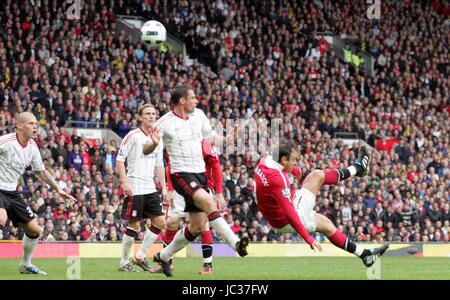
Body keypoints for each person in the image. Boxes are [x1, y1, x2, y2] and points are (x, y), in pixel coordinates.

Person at [146, 85, 248, 277]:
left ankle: (164, 255)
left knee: (198, 226)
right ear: (182, 101)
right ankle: (235, 243)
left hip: (199, 175)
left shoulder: (199, 115)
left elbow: (210, 139)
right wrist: (151, 144)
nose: (196, 100)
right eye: (192, 97)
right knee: (207, 204)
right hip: (181, 175)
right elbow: (150, 150)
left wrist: (227, 139)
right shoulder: (164, 123)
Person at [254, 141, 389, 267]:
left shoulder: (265, 160)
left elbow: (276, 177)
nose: (295, 163)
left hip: (275, 219)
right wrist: (308, 238)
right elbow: (290, 212)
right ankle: (358, 167)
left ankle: (365, 255)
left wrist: (294, 170)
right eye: (293, 160)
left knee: (327, 225)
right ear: (283, 160)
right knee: (316, 175)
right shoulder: (278, 179)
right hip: (286, 219)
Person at [0, 112, 76, 275]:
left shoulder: (32, 146)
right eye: (31, 123)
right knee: (1, 218)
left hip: (12, 192)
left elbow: (41, 171)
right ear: (19, 125)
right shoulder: (5, 142)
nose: (35, 126)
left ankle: (25, 265)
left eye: (36, 124)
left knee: (34, 230)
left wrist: (59, 189)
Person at [153, 139, 225, 275]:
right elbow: (170, 165)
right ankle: (167, 263)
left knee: (202, 226)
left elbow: (215, 166)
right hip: (180, 187)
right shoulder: (175, 139)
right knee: (171, 223)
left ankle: (207, 265)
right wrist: (169, 189)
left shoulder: (205, 142)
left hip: (202, 188)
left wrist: (219, 192)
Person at [116, 104, 167, 272]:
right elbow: (120, 159)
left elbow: (160, 165)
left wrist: (164, 188)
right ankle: (124, 262)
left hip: (150, 187)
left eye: (153, 114)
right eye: (147, 114)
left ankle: (140, 255)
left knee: (160, 221)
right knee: (135, 224)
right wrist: (124, 181)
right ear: (140, 117)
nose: (151, 116)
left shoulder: (158, 138)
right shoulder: (133, 136)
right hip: (135, 186)